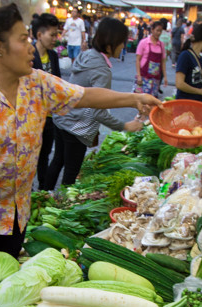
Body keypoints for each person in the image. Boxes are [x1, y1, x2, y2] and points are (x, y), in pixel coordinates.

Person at [0, 4, 161, 263]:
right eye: (23, 40)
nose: (31, 47)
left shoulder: (37, 83)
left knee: (8, 274)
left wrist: (135, 98)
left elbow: (86, 95)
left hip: (17, 209)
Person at [47, 17, 146, 190]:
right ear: (109, 45)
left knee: (57, 161)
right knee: (71, 173)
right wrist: (125, 125)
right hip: (76, 126)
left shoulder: (87, 55)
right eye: (121, 43)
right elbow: (98, 112)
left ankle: (43, 195)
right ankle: (59, 207)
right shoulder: (101, 70)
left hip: (62, 118)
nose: (123, 47)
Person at [32, 13, 62, 184]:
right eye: (52, 35)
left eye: (56, 34)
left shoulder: (53, 56)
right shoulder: (28, 55)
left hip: (50, 116)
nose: (55, 39)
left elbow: (57, 82)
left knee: (45, 154)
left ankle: (42, 189)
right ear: (39, 35)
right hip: (33, 116)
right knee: (31, 156)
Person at [175, 21, 202, 102]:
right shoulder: (185, 55)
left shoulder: (200, 59)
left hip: (197, 104)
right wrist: (200, 91)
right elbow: (179, 84)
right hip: (185, 104)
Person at [134, 19, 169, 97]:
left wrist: (165, 77)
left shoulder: (161, 45)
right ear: (152, 30)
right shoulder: (144, 42)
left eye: (160, 31)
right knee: (141, 101)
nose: (159, 33)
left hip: (155, 79)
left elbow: (163, 62)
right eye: (157, 30)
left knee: (152, 101)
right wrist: (139, 75)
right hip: (144, 77)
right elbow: (137, 60)